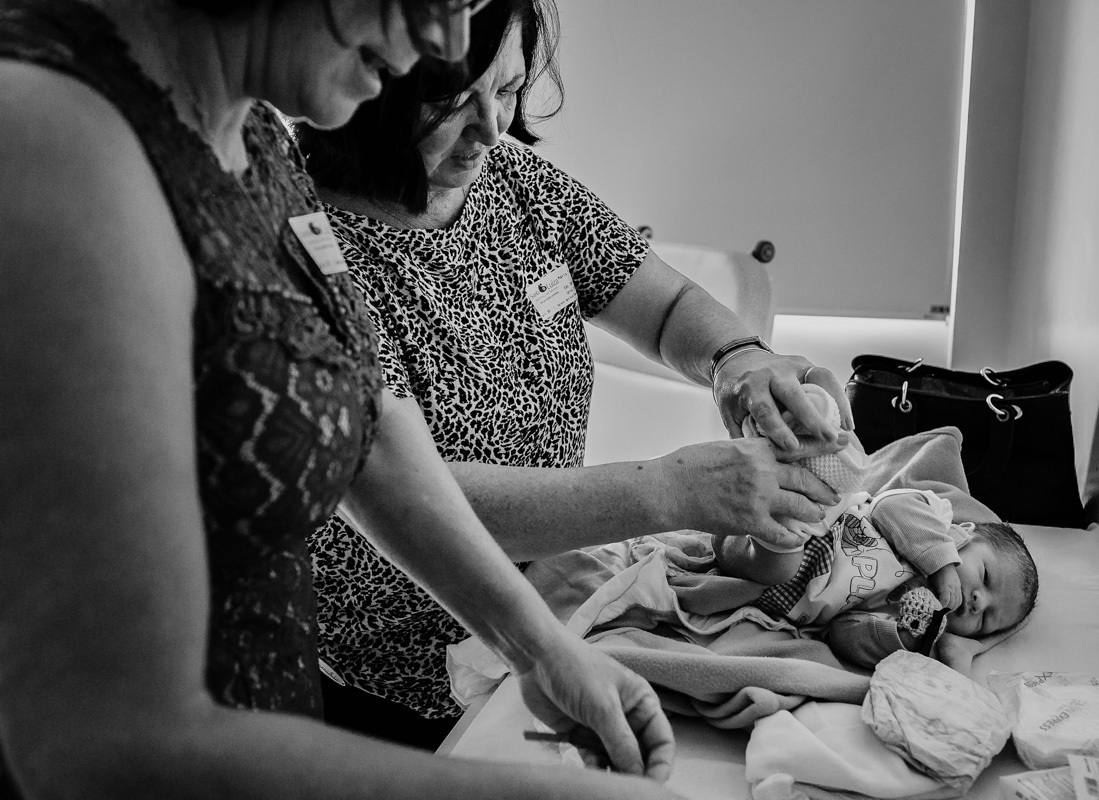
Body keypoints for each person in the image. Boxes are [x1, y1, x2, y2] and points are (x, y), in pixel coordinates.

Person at [0, 1, 682, 798]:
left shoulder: (250, 132)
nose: (445, 42)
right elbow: (104, 741)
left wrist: (538, 649)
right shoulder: (51, 136)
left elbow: (370, 422)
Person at [294, 0, 854, 747]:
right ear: (375, 80)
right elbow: (401, 488)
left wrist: (738, 359)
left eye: (510, 90)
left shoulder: (517, 184)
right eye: (454, 102)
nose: (491, 130)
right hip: (405, 684)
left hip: (564, 617)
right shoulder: (311, 244)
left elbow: (665, 305)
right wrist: (666, 492)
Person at [714, 487, 1040, 670]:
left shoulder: (910, 618)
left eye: (985, 620)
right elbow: (888, 506)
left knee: (775, 566)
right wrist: (941, 563)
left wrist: (905, 637)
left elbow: (842, 634)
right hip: (820, 531)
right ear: (963, 535)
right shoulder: (935, 520)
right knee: (819, 498)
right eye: (985, 576)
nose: (979, 602)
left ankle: (748, 532)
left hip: (779, 590)